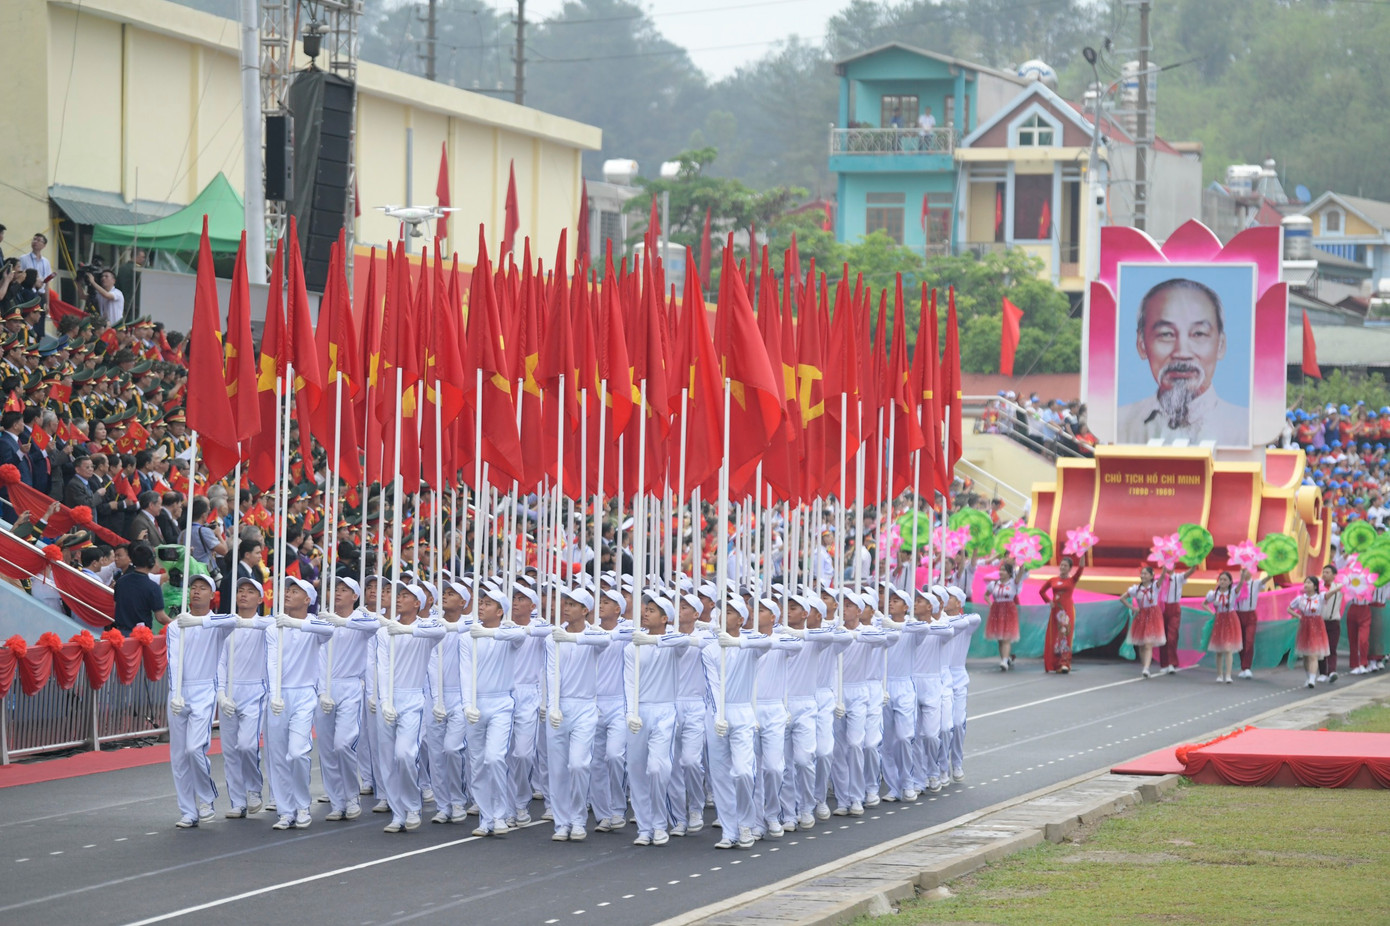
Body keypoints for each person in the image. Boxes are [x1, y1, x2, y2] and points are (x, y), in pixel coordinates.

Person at [1116, 278, 1249, 446]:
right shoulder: (1120, 424)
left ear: (1221, 345)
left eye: (1199, 334)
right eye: (1166, 334)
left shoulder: (1245, 429)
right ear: (1141, 344)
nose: (1182, 353)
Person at [371, 582, 445, 833]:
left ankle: (413, 806)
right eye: (398, 594)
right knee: (388, 761)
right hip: (389, 699)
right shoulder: (384, 633)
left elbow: (439, 631)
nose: (399, 599)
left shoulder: (426, 629)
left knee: (404, 754)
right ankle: (397, 811)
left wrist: (408, 631)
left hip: (413, 698)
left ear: (418, 603)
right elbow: (382, 667)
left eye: (406, 596)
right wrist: (384, 700)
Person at [165, 574, 238, 828]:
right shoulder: (176, 627)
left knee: (195, 748)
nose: (196, 592)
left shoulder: (217, 624)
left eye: (202, 588)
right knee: (179, 756)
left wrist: (199, 621)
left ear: (211, 595)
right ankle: (188, 810)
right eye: (193, 588)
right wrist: (175, 692)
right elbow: (173, 661)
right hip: (179, 693)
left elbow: (233, 620)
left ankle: (206, 798)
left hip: (205, 689)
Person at [264, 577, 336, 831]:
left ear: (307, 600)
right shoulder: (275, 628)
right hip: (279, 695)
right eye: (287, 590)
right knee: (278, 756)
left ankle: (302, 805)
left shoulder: (314, 625)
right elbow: (272, 662)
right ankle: (286, 810)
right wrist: (274, 694)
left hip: (305, 694)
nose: (287, 594)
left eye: (294, 591)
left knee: (297, 752)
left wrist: (296, 623)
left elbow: (328, 631)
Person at [544, 587, 613, 842]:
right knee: (558, 769)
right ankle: (562, 822)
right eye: (566, 603)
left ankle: (577, 818)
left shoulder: (594, 635)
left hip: (585, 707)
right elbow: (551, 673)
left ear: (585, 610)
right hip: (560, 706)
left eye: (573, 605)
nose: (566, 607)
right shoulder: (553, 637)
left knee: (579, 764)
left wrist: (573, 638)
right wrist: (553, 706)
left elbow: (605, 640)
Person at [459, 585, 529, 837]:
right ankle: (486, 817)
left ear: (500, 611)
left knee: (495, 758)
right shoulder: (468, 637)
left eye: (488, 604)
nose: (482, 606)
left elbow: (519, 637)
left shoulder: (509, 632)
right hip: (477, 704)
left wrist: (490, 634)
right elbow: (465, 673)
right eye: (482, 602)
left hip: (501, 703)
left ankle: (501, 813)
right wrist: (468, 704)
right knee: (477, 764)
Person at [317, 577, 382, 822]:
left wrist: (343, 622)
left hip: (350, 686)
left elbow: (373, 627)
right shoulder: (322, 619)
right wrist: (322, 690)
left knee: (343, 743)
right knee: (326, 750)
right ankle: (337, 800)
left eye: (344, 590)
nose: (338, 593)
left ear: (355, 597)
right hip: (325, 687)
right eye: (335, 589)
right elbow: (319, 659)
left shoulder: (362, 618)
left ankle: (352, 795)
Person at [219, 577, 271, 819]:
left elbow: (273, 626)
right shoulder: (226, 625)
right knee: (230, 751)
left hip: (255, 692)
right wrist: (220, 693)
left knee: (247, 745)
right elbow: (219, 661)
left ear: (260, 599)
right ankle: (237, 800)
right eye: (240, 591)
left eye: (250, 592)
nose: (244, 595)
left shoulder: (266, 625)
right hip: (230, 692)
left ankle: (253, 788)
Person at [1038, 557, 1084, 673]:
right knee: (1055, 636)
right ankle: (1054, 663)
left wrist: (1083, 554)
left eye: (1065, 566)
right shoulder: (1053, 580)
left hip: (1067, 612)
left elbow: (1081, 568)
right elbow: (1041, 591)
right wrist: (1049, 601)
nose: (1063, 567)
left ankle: (1064, 663)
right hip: (1055, 612)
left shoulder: (1072, 580)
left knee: (1066, 635)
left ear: (1069, 568)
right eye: (1061, 565)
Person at [1120, 565, 1165, 678]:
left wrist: (1165, 566)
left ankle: (1146, 668)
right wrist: (1133, 608)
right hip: (1141, 615)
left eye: (1145, 574)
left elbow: (1163, 576)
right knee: (1141, 644)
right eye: (1142, 573)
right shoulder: (1136, 588)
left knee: (1148, 643)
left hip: (1153, 615)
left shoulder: (1155, 586)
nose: (1143, 576)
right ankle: (1144, 666)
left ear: (1151, 576)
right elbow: (1122, 598)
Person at [112, 542, 167, 632]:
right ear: (151, 562)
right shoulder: (153, 587)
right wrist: (175, 621)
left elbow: (115, 606)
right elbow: (160, 617)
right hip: (140, 637)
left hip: (120, 635)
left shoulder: (120, 581)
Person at [984, 561, 1026, 670]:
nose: (1001, 572)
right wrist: (991, 604)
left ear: (1009, 573)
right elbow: (986, 595)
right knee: (1000, 637)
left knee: (1006, 637)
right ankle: (1005, 659)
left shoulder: (1013, 583)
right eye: (1000, 569)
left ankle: (1004, 661)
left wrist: (1022, 562)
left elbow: (1021, 572)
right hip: (997, 610)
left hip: (1009, 610)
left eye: (1004, 570)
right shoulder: (993, 584)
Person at [1288, 577, 1329, 689]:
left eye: (1309, 582)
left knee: (1313, 654)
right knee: (1306, 655)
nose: (1306, 584)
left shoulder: (1320, 597)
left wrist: (1338, 586)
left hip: (1316, 626)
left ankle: (1312, 679)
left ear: (1315, 586)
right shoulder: (1300, 598)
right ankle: (1309, 676)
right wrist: (1298, 616)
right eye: (1305, 582)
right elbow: (1289, 609)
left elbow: (1329, 594)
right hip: (1304, 626)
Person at [1203, 571, 1242, 683]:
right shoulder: (1214, 594)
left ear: (1230, 582)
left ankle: (1228, 675)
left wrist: (1243, 574)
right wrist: (1212, 612)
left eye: (1225, 580)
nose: (1222, 582)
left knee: (1228, 649)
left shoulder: (1233, 592)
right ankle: (1219, 675)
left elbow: (1240, 585)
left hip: (1230, 619)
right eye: (1221, 579)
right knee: (1219, 650)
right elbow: (1204, 603)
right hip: (1219, 620)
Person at [1156, 563, 1191, 675]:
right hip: (1162, 607)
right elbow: (1156, 587)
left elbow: (1188, 573)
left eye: (1171, 565)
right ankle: (1164, 663)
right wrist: (1163, 574)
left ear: (1175, 566)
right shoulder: (1160, 578)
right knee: (1163, 636)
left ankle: (1172, 663)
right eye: (1166, 565)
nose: (1168, 567)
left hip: (1174, 608)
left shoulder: (1178, 577)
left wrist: (1195, 565)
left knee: (1172, 636)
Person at [1232, 566, 1264, 679]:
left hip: (1250, 615)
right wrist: (1241, 581)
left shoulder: (1255, 584)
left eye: (1246, 570)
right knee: (1241, 642)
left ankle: (1247, 667)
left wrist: (1273, 570)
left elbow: (1266, 580)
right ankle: (1243, 667)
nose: (1244, 572)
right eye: (1242, 570)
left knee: (1249, 641)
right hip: (1238, 614)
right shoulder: (1236, 584)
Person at [1317, 564, 1344, 683]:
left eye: (1328, 572)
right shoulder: (1318, 587)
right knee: (1320, 649)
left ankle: (1332, 671)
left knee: (1332, 647)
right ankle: (1322, 672)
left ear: (1334, 575)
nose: (1325, 574)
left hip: (1333, 621)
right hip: (1320, 622)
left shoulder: (1340, 587)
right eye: (1323, 572)